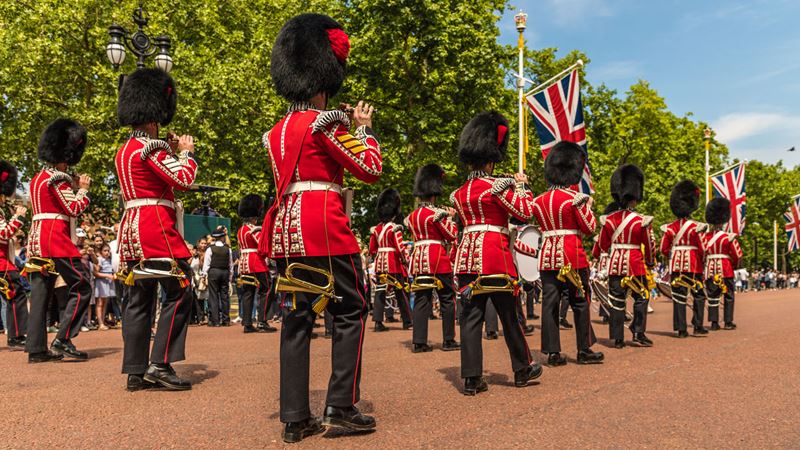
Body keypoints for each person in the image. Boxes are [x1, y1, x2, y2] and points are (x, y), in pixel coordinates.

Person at [262, 13, 380, 443]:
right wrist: (363, 129)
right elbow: (370, 168)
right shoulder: (324, 122)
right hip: (324, 226)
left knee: (296, 318)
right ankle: (341, 406)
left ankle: (295, 417)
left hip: (287, 230)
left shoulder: (274, 132)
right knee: (350, 310)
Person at [115, 68, 197, 391]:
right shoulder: (151, 149)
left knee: (139, 295)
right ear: (153, 118)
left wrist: (168, 146)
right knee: (181, 287)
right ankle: (160, 363)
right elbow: (183, 180)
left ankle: (135, 370)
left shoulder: (125, 150)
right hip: (154, 228)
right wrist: (186, 152)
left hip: (131, 231)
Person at [450, 111, 542, 396]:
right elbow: (526, 212)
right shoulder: (498, 187)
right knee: (510, 316)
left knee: (471, 319)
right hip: (495, 256)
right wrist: (523, 186)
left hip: (467, 258)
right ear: (492, 158)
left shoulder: (458, 193)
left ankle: (471, 378)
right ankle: (522, 368)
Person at [531, 141, 604, 367]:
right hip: (572, 255)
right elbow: (590, 227)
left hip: (547, 257)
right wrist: (588, 205)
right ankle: (584, 349)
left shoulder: (538, 201)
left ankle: (552, 353)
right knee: (580, 302)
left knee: (549, 305)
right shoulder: (575, 199)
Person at [26, 118, 93, 363]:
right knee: (83, 285)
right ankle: (63, 338)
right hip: (55, 238)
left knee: (41, 295)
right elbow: (73, 207)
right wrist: (83, 189)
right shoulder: (58, 178)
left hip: (37, 239)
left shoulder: (37, 178)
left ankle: (36, 350)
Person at [597, 165, 655, 349]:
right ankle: (638, 332)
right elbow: (649, 245)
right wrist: (650, 261)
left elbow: (602, 245)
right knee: (642, 297)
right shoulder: (641, 221)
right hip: (635, 265)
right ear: (634, 198)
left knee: (616, 300)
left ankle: (617, 338)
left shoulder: (609, 220)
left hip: (615, 265)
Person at [405, 164, 459, 353]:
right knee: (447, 298)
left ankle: (419, 342)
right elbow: (451, 235)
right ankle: (448, 339)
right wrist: (451, 217)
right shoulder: (437, 214)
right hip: (437, 258)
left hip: (418, 259)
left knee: (422, 298)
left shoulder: (411, 216)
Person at [659, 180, 707, 338]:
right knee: (698, 294)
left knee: (679, 296)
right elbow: (703, 248)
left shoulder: (670, 228)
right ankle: (697, 325)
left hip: (677, 266)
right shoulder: (696, 227)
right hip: (693, 265)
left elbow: (663, 249)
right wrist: (703, 261)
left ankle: (681, 329)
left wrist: (673, 256)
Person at [369, 189, 412, 331]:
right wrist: (406, 261)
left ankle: (377, 322)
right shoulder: (394, 228)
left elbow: (372, 249)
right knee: (401, 291)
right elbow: (400, 248)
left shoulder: (376, 229)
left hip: (380, 263)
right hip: (393, 263)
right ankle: (407, 321)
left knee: (380, 292)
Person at [236, 194, 276, 333]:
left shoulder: (241, 230)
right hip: (256, 262)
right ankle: (262, 321)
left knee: (248, 292)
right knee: (267, 289)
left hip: (244, 263)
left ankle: (247, 323)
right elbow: (261, 244)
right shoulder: (253, 229)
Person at [703, 198, 743, 330]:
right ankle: (728, 322)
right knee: (729, 296)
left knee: (713, 296)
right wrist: (735, 266)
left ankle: (714, 323)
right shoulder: (728, 237)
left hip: (710, 269)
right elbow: (737, 254)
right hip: (726, 269)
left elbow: (702, 254)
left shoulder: (705, 237)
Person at [1, 160, 28, 350]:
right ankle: (16, 336)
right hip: (2, 264)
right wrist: (18, 217)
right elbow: (3, 234)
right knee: (17, 295)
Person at [203, 226, 233, 327]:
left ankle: (215, 320)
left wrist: (204, 275)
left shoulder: (210, 249)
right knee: (225, 296)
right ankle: (226, 320)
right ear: (222, 237)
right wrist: (230, 277)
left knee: (213, 296)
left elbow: (206, 264)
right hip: (224, 272)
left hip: (213, 272)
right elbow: (230, 264)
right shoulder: (228, 249)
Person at [93, 243, 115, 330]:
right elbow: (95, 273)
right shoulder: (99, 260)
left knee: (105, 303)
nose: (107, 253)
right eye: (105, 251)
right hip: (101, 283)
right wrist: (107, 276)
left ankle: (103, 321)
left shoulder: (110, 260)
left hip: (108, 282)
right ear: (101, 252)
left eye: (108, 251)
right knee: (100, 303)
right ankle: (100, 323)